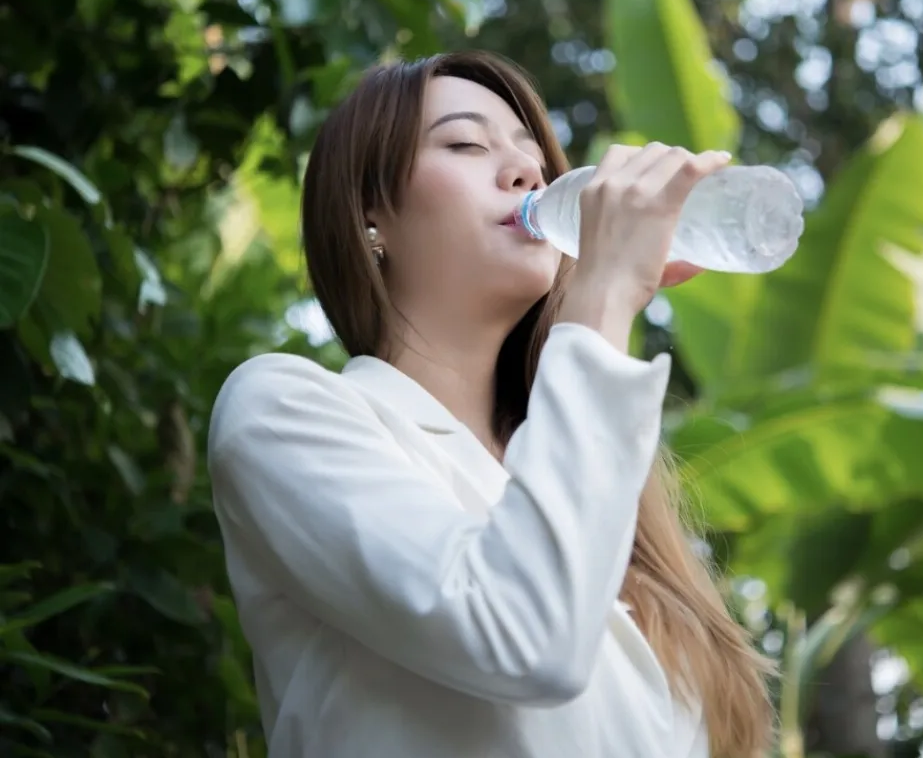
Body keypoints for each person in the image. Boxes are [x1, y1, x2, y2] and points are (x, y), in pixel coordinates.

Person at [206, 50, 776, 758]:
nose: (526, 173)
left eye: (533, 157)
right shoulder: (281, 411)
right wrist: (598, 305)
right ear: (369, 214)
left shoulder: (596, 486)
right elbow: (525, 638)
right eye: (467, 143)